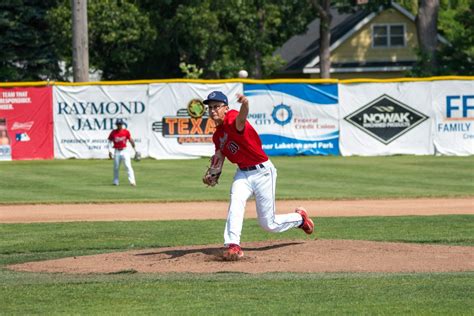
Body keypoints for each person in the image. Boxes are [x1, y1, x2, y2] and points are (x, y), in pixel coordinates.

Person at [202, 91, 314, 261]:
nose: (212, 110)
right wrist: (213, 172)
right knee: (236, 203)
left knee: (268, 224)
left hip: (262, 172)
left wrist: (245, 104)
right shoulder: (218, 135)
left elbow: (241, 119)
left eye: (216, 106)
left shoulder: (232, 118)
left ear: (226, 108)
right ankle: (233, 245)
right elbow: (219, 155)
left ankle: (300, 219)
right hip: (242, 173)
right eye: (210, 107)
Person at [107, 119, 137, 186]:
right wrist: (109, 151)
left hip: (125, 151)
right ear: (116, 125)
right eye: (118, 124)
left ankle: (132, 182)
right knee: (116, 167)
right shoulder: (113, 132)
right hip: (117, 151)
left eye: (120, 124)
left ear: (122, 125)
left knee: (128, 166)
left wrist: (133, 144)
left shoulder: (126, 132)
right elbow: (109, 141)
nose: (119, 125)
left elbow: (130, 139)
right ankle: (115, 182)